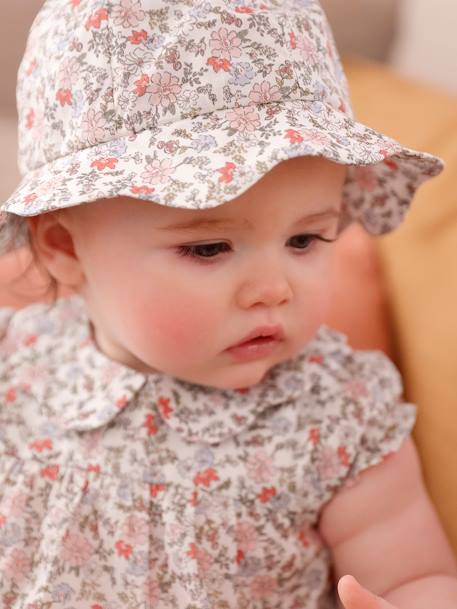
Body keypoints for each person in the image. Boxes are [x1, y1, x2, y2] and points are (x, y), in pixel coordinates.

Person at [0, 1, 456, 607]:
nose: (274, 288)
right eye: (210, 247)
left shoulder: (339, 414)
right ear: (64, 249)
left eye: (304, 239)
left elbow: (412, 576)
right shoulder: (18, 370)